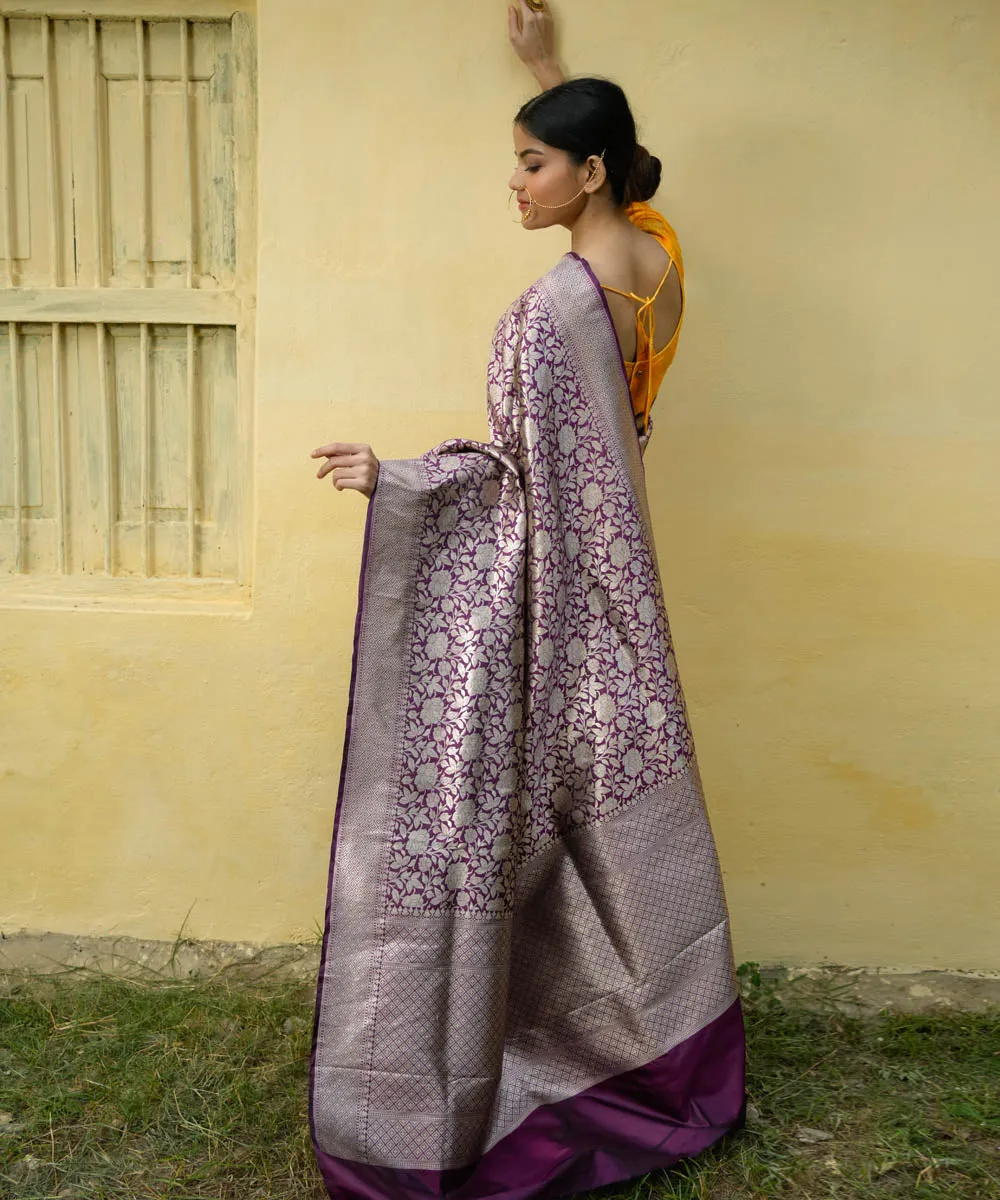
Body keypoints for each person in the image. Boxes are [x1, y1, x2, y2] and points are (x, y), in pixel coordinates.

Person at [308, 4, 746, 1197]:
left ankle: (528, 1055)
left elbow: (521, 483)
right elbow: (623, 190)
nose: (512, 182)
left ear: (585, 171)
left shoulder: (554, 316)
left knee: (517, 804)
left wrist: (395, 481)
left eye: (532, 160)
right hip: (626, 587)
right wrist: (551, 78)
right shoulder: (652, 255)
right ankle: (671, 1045)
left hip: (562, 601)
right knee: (625, 818)